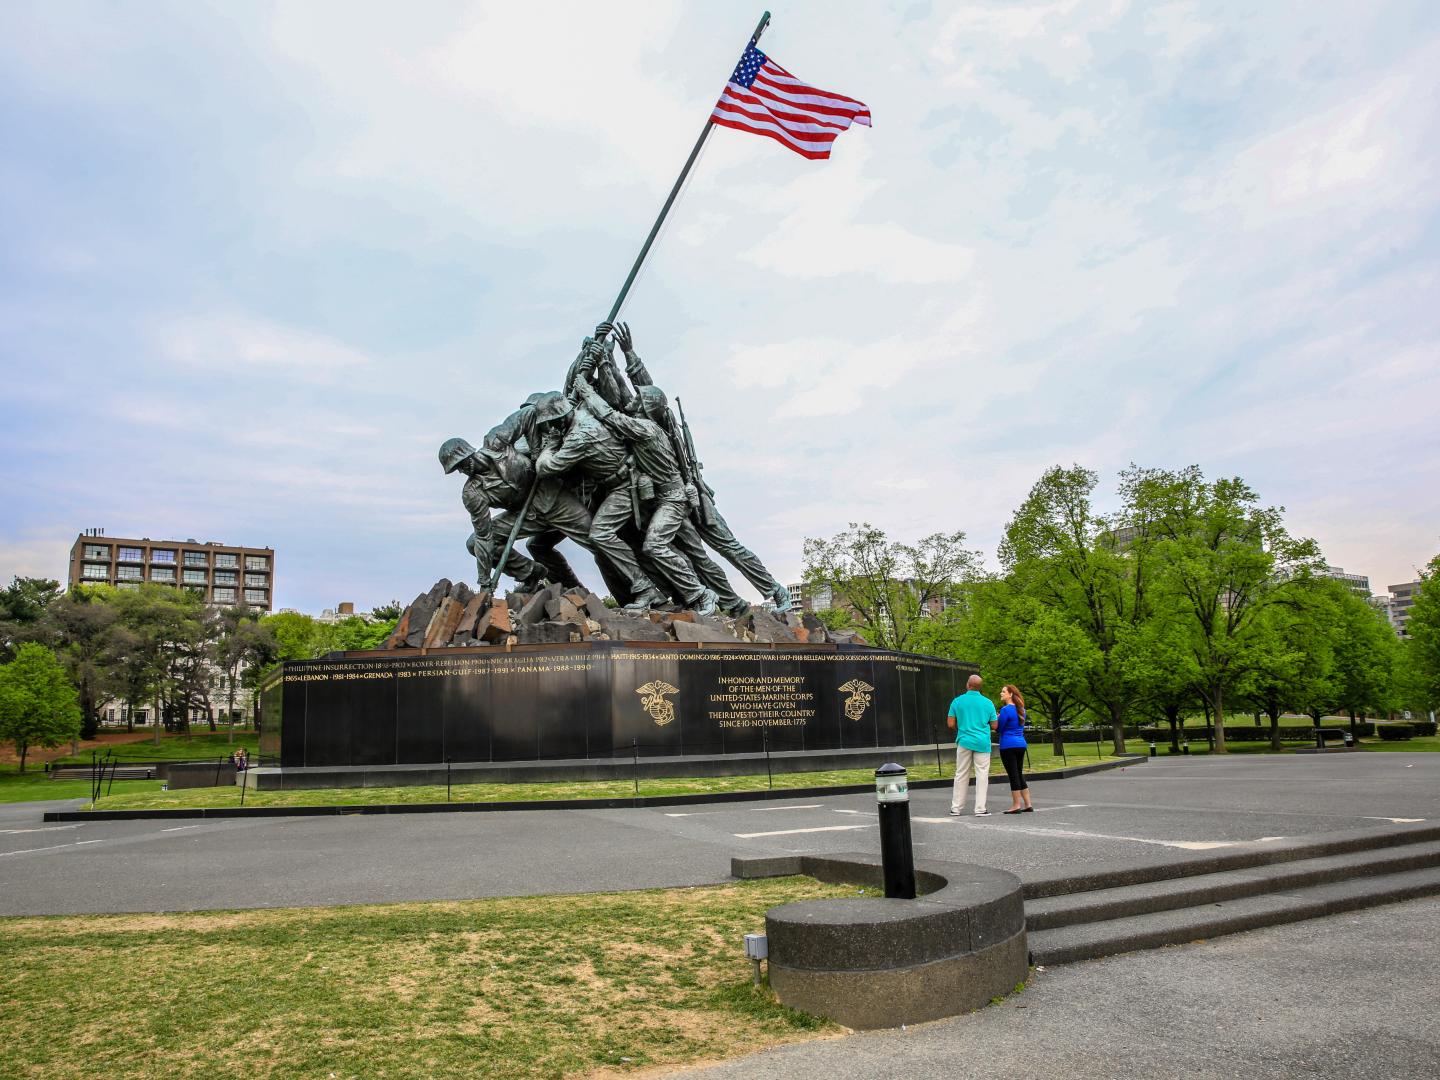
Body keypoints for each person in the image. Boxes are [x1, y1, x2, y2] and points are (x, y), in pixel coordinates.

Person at [947, 673, 997, 817]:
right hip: (982, 742)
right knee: (982, 774)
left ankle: (956, 808)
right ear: (980, 687)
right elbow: (994, 725)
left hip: (964, 740)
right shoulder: (988, 703)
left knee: (961, 773)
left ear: (968, 685)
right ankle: (980, 808)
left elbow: (950, 723)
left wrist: (961, 728)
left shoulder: (957, 701)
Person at [997, 684, 1033, 814]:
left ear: (1010, 694)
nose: (1001, 693)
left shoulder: (1006, 710)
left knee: (1013, 775)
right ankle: (1028, 804)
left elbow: (999, 728)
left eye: (1003, 691)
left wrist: (997, 718)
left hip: (1008, 745)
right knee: (1018, 773)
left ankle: (1016, 805)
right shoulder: (1022, 709)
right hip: (1021, 744)